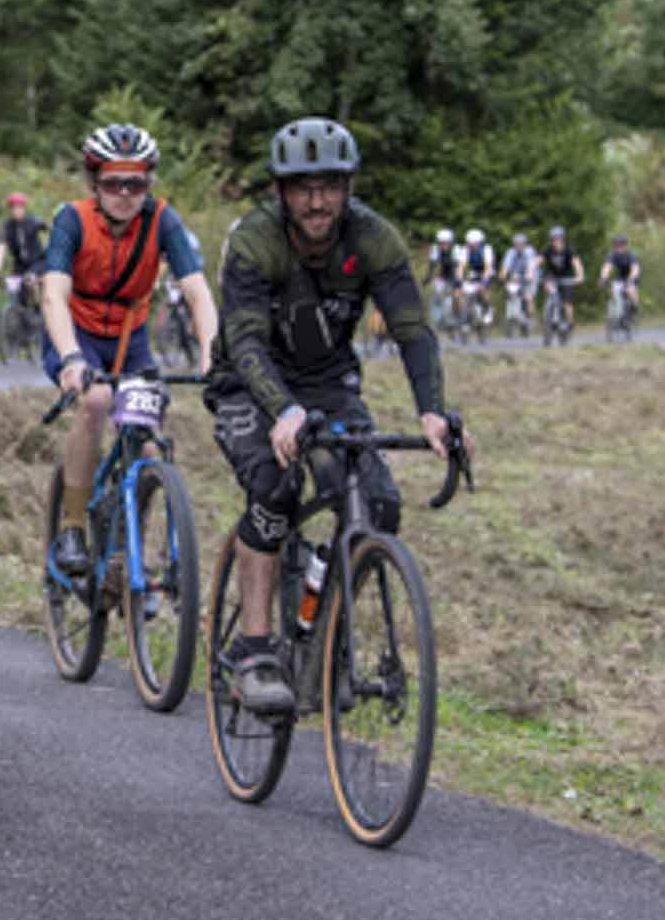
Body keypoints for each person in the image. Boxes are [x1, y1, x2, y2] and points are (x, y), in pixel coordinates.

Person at [206, 119, 461, 712]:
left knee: (377, 503)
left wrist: (433, 414)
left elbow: (413, 330)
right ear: (280, 192)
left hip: (326, 383)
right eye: (302, 188)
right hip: (248, 382)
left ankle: (326, 638)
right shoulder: (255, 241)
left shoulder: (374, 238)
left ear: (348, 187)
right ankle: (255, 648)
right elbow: (244, 343)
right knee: (274, 489)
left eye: (330, 186)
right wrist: (282, 410)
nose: (317, 201)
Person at [43, 123, 220, 578]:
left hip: (128, 335)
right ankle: (74, 526)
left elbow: (198, 292)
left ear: (149, 183)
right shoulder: (72, 220)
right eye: (112, 182)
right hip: (77, 332)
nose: (124, 192)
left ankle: (134, 542)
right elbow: (53, 293)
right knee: (98, 401)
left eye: (136, 182)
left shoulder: (163, 220)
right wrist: (70, 358)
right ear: (93, 183)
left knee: (145, 421)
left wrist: (211, 356)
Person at [0, 191, 51, 311]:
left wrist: (53, 251)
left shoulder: (33, 221)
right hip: (19, 267)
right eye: (13, 207)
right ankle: (21, 317)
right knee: (12, 288)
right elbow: (0, 249)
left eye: (19, 207)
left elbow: (51, 230)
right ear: (10, 209)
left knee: (30, 280)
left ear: (24, 208)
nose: (16, 210)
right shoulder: (8, 227)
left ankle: (41, 312)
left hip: (37, 263)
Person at [538, 226, 584, 325]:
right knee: (547, 286)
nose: (556, 242)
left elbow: (577, 263)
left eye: (558, 239)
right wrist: (530, 272)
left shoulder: (569, 250)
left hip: (567, 278)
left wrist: (580, 275)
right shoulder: (548, 250)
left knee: (568, 303)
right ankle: (549, 310)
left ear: (563, 239)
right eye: (554, 240)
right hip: (552, 276)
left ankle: (570, 323)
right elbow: (537, 261)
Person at [600, 233, 642, 326]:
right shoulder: (613, 255)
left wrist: (630, 280)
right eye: (617, 246)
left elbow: (635, 269)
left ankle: (634, 310)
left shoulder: (631, 255)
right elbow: (607, 267)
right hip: (620, 277)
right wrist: (603, 277)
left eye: (621, 246)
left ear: (625, 246)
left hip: (632, 275)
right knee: (613, 291)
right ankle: (616, 315)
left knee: (631, 290)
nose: (619, 248)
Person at [457, 228, 495, 328]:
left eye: (475, 243)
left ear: (480, 242)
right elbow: (461, 266)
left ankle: (487, 310)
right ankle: (464, 317)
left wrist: (484, 282)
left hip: (486, 271)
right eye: (470, 243)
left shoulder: (486, 249)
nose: (472, 245)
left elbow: (488, 266)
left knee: (483, 290)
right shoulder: (465, 250)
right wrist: (460, 280)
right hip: (473, 272)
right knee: (462, 293)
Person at [500, 233, 537, 329]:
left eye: (521, 244)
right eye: (516, 244)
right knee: (510, 293)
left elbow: (531, 264)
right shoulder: (511, 252)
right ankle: (510, 318)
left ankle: (530, 318)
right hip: (515, 277)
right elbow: (506, 265)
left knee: (528, 297)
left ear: (525, 244)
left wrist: (529, 275)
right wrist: (503, 275)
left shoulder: (530, 251)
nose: (518, 246)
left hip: (529, 276)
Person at [424, 227, 462, 323]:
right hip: (443, 275)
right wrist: (427, 278)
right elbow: (431, 267)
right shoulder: (435, 249)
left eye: (446, 243)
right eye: (441, 243)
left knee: (456, 295)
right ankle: (437, 319)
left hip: (454, 275)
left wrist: (458, 281)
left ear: (451, 242)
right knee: (436, 293)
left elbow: (459, 267)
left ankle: (459, 317)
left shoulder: (456, 249)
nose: (444, 245)